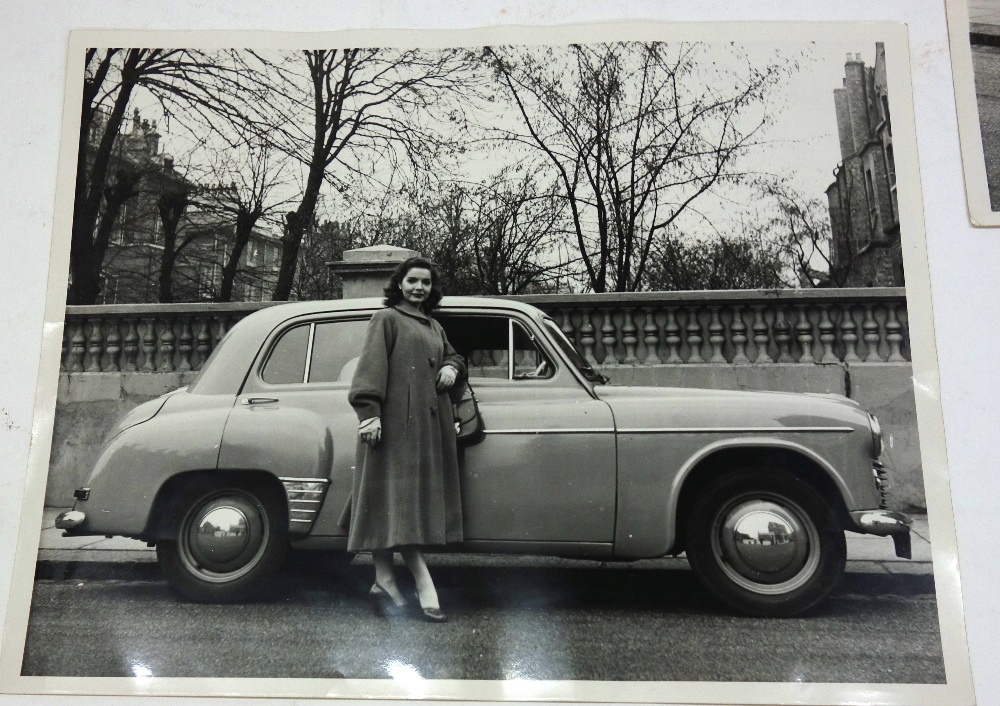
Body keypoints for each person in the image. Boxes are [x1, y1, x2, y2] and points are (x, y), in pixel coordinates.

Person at [339, 257, 466, 622]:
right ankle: (425, 584)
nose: (419, 288)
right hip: (393, 428)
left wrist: (450, 366)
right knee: (399, 504)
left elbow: (455, 355)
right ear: (400, 283)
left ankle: (384, 580)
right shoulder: (386, 319)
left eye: (426, 283)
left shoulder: (433, 325)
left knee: (387, 501)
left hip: (424, 430)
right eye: (412, 281)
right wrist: (369, 416)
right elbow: (369, 371)